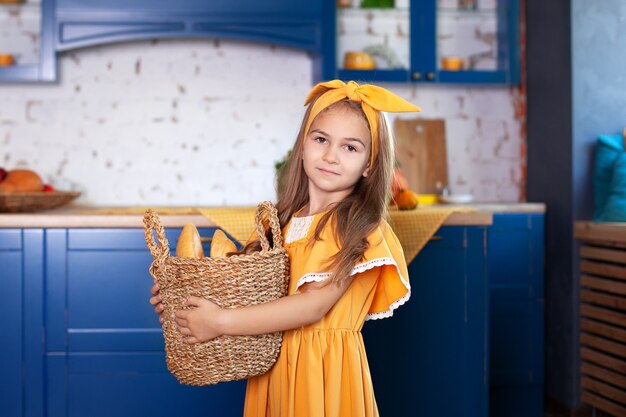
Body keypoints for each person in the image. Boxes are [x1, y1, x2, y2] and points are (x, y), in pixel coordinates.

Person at [149, 79, 421, 417]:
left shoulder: (355, 227)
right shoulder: (280, 222)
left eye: (350, 147)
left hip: (322, 375)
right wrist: (185, 301)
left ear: (369, 164)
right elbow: (242, 290)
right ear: (303, 146)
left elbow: (311, 307)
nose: (330, 156)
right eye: (321, 139)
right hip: (275, 369)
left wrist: (219, 321)